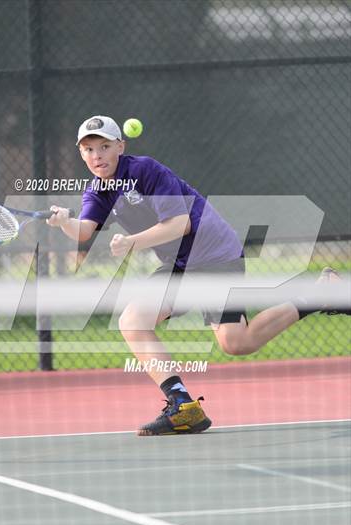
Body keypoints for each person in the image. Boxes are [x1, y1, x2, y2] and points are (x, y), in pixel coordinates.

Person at [47, 115, 348, 436]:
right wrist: (65, 221)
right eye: (89, 149)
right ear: (82, 155)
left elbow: (180, 224)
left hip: (215, 256)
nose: (97, 155)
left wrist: (131, 242)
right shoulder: (96, 190)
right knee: (133, 320)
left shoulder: (145, 171)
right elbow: (83, 231)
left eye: (105, 146)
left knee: (236, 342)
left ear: (120, 147)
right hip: (181, 265)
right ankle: (183, 406)